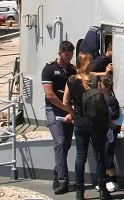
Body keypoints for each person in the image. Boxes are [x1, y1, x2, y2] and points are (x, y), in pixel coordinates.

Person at [64, 53, 111, 200]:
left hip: (80, 122)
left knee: (80, 156)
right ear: (89, 63)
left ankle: (79, 192)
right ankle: (103, 190)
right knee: (99, 155)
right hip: (96, 122)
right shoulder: (94, 79)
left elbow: (65, 101)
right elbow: (102, 102)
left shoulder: (70, 80)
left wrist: (73, 113)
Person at [42, 41, 77, 195]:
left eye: (71, 54)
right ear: (60, 53)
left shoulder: (72, 70)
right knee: (60, 142)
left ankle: (57, 175)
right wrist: (67, 108)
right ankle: (63, 181)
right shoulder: (49, 69)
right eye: (66, 54)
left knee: (66, 145)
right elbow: (50, 95)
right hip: (53, 110)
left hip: (68, 112)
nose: (69, 57)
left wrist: (71, 111)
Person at [99, 76, 120, 193]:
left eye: (101, 85)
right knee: (102, 155)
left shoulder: (111, 100)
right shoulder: (99, 98)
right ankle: (106, 180)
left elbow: (115, 114)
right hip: (102, 130)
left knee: (108, 155)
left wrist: (105, 114)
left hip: (110, 131)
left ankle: (113, 180)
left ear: (106, 87)